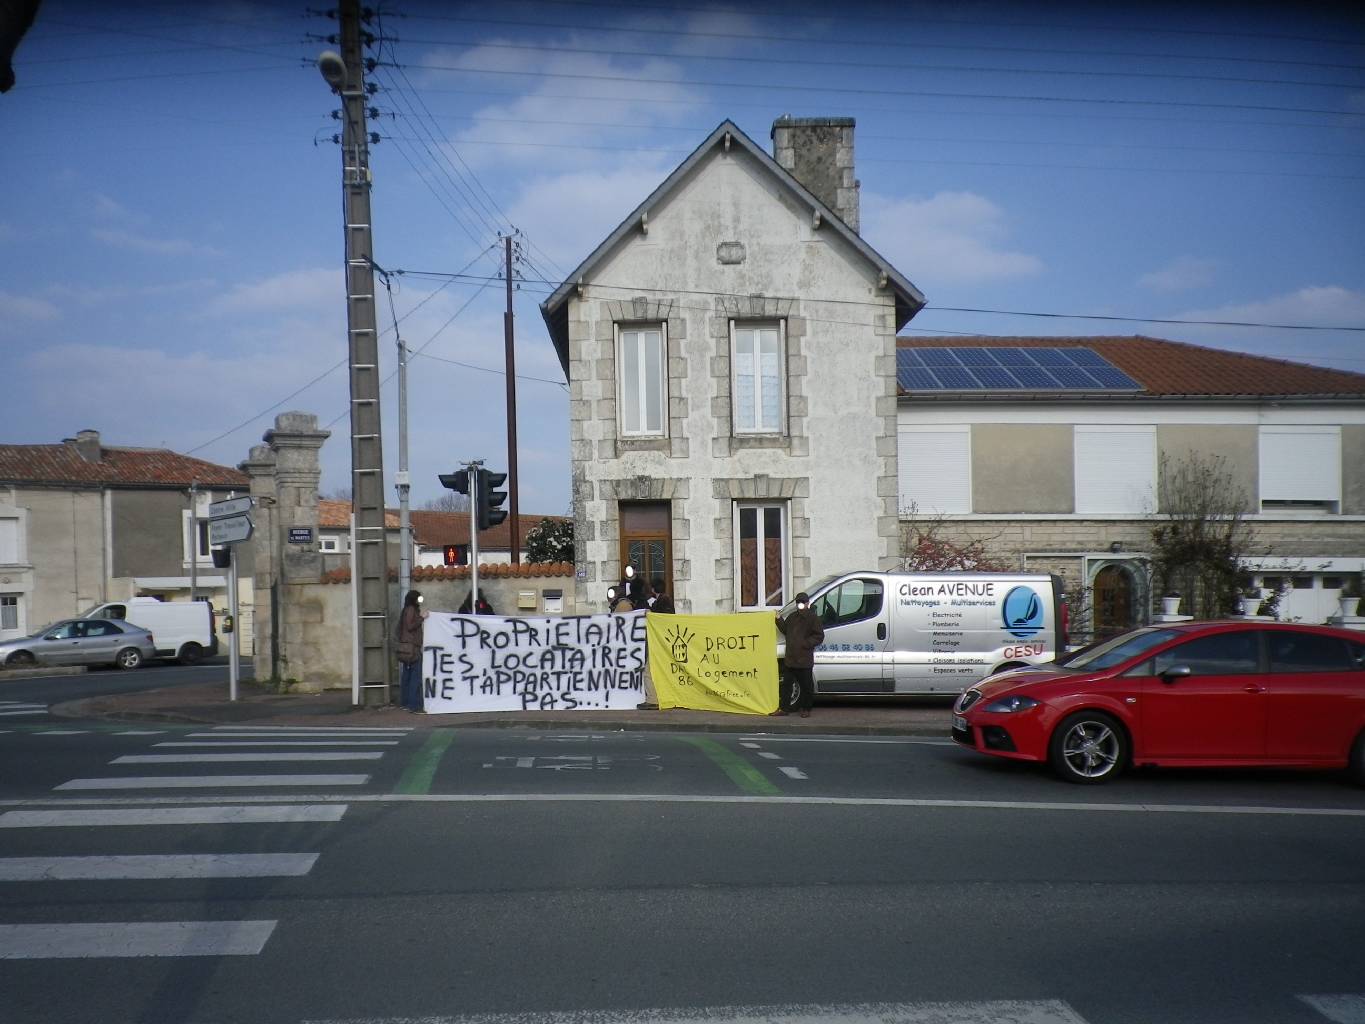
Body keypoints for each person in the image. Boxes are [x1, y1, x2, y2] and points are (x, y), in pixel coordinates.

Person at [776, 591, 824, 718]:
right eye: (798, 602)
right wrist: (778, 619)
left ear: (808, 603)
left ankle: (806, 709)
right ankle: (784, 708)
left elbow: (819, 636)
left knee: (806, 686)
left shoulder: (813, 618)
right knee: (786, 685)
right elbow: (785, 629)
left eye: (802, 602)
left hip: (804, 659)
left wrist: (805, 644)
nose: (800, 604)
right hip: (791, 659)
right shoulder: (792, 617)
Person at [636, 580, 674, 710]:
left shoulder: (663, 601)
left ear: (653, 589)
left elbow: (663, 619)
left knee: (648, 671)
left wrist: (651, 614)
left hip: (658, 642)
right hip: (661, 642)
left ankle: (652, 700)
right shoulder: (664, 600)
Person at [395, 589, 428, 713]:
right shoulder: (411, 610)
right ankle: (415, 705)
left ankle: (405, 702)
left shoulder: (406, 610)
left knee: (407, 677)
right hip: (413, 649)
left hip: (406, 649)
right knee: (415, 677)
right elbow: (410, 626)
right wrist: (421, 618)